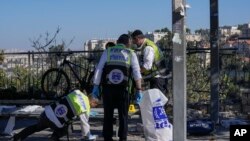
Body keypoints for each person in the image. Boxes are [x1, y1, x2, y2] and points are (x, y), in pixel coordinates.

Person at [91, 34, 142, 141]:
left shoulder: (107, 51)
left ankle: (107, 137)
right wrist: (139, 90)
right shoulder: (131, 53)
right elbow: (137, 73)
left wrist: (96, 87)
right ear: (128, 43)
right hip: (124, 90)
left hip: (108, 89)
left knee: (108, 115)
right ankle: (122, 138)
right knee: (123, 115)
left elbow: (99, 69)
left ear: (118, 42)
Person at [13, 89, 98, 141]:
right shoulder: (85, 108)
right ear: (93, 102)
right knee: (66, 130)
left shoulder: (77, 92)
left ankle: (18, 137)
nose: (94, 107)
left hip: (47, 112)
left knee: (36, 127)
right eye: (95, 105)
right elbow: (84, 123)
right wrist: (87, 135)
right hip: (56, 122)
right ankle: (53, 138)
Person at [131, 29, 169, 95]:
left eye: (134, 42)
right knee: (156, 99)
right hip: (157, 75)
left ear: (137, 39)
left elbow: (147, 66)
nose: (134, 44)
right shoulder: (147, 44)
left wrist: (137, 72)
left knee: (157, 100)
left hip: (158, 76)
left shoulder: (148, 48)